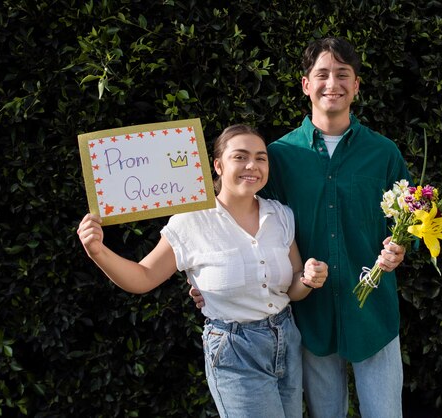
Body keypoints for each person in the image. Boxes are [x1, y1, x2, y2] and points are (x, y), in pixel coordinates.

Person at [191, 38, 411, 417]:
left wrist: (402, 247)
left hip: (373, 314)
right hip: (311, 317)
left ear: (356, 85)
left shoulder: (384, 153)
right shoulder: (278, 156)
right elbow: (244, 222)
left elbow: (411, 223)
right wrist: (208, 280)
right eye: (322, 74)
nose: (333, 83)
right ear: (306, 84)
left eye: (343, 75)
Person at [77, 124, 328, 418]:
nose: (252, 165)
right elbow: (142, 277)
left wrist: (309, 279)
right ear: (218, 165)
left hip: (285, 338)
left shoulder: (280, 215)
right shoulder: (191, 221)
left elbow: (293, 288)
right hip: (236, 351)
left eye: (261, 158)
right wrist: (98, 252)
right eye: (240, 157)